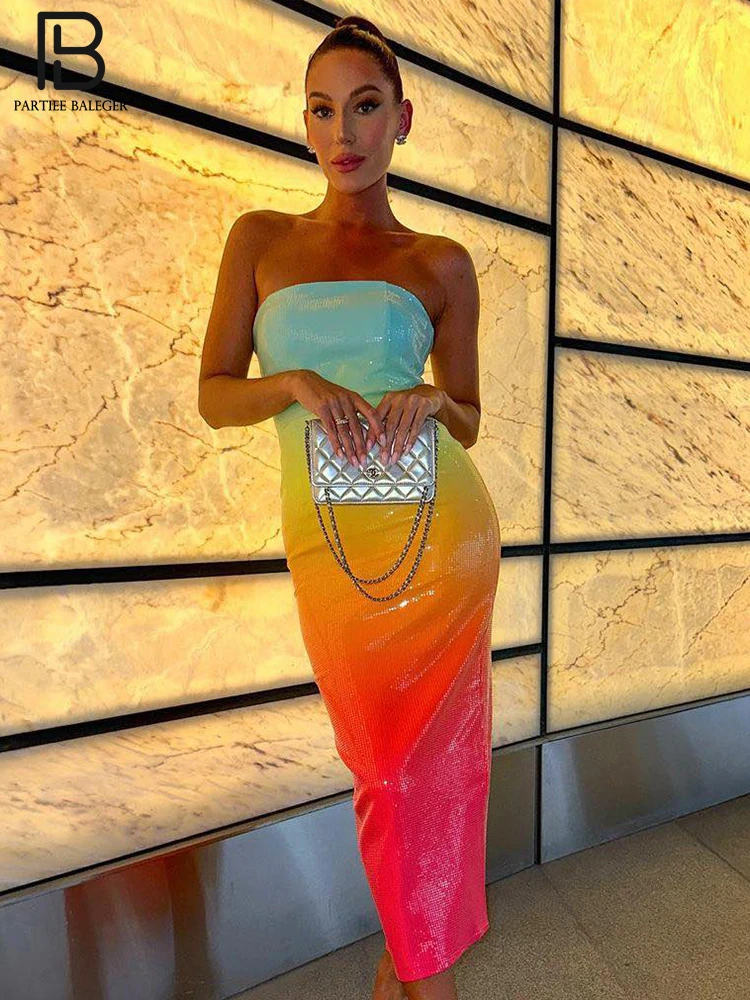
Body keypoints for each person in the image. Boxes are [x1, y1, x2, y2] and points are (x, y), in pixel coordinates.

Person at [198, 14, 501, 1000]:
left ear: (401, 119)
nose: (344, 131)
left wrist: (432, 402)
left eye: (366, 107)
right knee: (382, 766)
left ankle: (422, 976)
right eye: (323, 110)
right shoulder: (261, 240)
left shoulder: (440, 260)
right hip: (329, 538)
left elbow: (469, 418)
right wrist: (291, 384)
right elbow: (214, 395)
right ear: (305, 123)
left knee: (433, 770)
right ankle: (409, 954)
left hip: (440, 533)